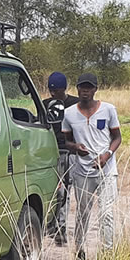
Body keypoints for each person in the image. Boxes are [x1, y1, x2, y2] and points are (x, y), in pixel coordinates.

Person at [61, 72, 122, 260]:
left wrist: (107, 155)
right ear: (77, 89)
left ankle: (108, 255)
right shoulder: (69, 113)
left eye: (89, 87)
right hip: (82, 171)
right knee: (82, 212)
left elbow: (117, 138)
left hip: (106, 170)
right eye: (82, 87)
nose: (85, 91)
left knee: (106, 213)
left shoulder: (108, 110)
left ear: (96, 89)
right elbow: (67, 140)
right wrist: (75, 148)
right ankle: (79, 252)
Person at [42, 72, 79, 245]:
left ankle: (60, 227)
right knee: (51, 190)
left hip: (67, 151)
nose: (52, 93)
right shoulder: (45, 104)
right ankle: (51, 224)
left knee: (64, 191)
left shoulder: (74, 104)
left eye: (55, 90)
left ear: (64, 88)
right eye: (51, 90)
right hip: (49, 151)